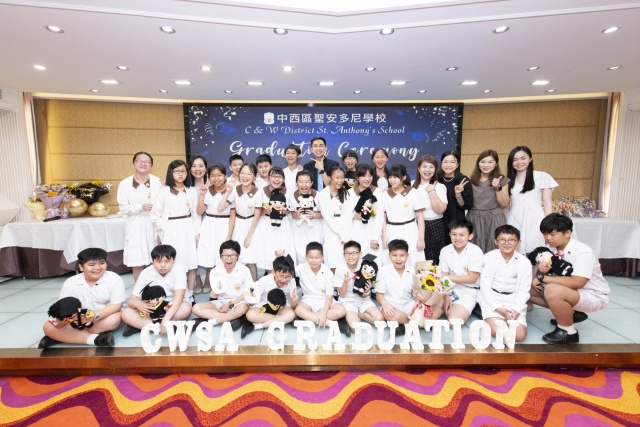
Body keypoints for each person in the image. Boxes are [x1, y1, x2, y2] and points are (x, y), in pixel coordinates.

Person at [529, 214, 610, 344]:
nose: (548, 238)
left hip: (592, 294)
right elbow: (544, 275)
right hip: (569, 291)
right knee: (526, 289)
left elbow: (577, 282)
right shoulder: (549, 250)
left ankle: (568, 332)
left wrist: (542, 277)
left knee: (552, 290)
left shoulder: (583, 252)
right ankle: (570, 313)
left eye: (552, 234)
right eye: (545, 234)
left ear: (567, 233)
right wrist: (541, 271)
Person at [39, 248, 125, 348]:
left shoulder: (114, 279)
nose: (97, 268)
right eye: (91, 265)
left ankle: (62, 336)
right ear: (81, 267)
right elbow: (63, 307)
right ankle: (97, 339)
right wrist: (62, 321)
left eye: (102, 263)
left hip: (101, 317)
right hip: (77, 320)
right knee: (47, 326)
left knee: (116, 318)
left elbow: (116, 306)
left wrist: (94, 316)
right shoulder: (70, 282)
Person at [150, 160, 199, 301]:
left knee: (191, 263)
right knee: (173, 263)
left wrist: (197, 233)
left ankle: (189, 295)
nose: (180, 174)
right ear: (171, 173)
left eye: (183, 171)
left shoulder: (191, 191)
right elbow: (155, 216)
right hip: (171, 230)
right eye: (177, 171)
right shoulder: (164, 192)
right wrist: (165, 228)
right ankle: (174, 295)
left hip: (188, 229)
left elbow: (196, 215)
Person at [121, 244, 192, 337]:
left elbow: (179, 297)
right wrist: (138, 304)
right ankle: (167, 327)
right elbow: (132, 300)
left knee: (186, 309)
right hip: (153, 308)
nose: (163, 265)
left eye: (167, 261)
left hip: (172, 306)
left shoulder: (178, 269)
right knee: (126, 314)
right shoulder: (146, 273)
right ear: (152, 261)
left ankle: (148, 326)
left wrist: (165, 320)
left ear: (174, 260)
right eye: (158, 261)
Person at [478, 225, 531, 342]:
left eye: (511, 240)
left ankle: (510, 318)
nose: (507, 243)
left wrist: (517, 310)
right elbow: (485, 287)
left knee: (519, 336)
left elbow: (524, 290)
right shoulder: (488, 258)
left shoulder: (524, 262)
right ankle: (491, 318)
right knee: (500, 332)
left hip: (513, 299)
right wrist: (497, 308)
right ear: (496, 241)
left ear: (519, 242)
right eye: (502, 239)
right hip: (492, 298)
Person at [117, 151, 163, 282]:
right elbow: (123, 208)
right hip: (135, 224)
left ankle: (156, 287)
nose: (143, 164)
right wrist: (139, 207)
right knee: (136, 259)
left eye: (147, 162)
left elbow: (164, 206)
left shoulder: (158, 182)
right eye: (140, 161)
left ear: (151, 165)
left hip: (154, 224)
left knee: (155, 258)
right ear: (134, 163)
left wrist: (161, 229)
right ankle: (139, 288)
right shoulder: (125, 183)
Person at [506, 146, 558, 254]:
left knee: (535, 251)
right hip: (514, 218)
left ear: (530, 159)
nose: (519, 162)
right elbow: (505, 203)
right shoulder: (508, 180)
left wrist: (548, 225)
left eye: (523, 158)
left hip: (535, 219)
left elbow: (547, 203)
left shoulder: (542, 176)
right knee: (514, 250)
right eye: (515, 160)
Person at [192, 240, 252, 329]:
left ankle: (212, 321)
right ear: (221, 256)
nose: (229, 258)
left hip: (238, 302)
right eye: (225, 255)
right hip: (221, 302)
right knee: (196, 308)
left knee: (242, 308)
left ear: (238, 256)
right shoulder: (215, 271)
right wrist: (214, 294)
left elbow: (248, 293)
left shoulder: (244, 270)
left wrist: (230, 304)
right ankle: (233, 318)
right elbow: (216, 291)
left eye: (232, 255)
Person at [196, 164, 235, 292]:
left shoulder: (231, 190)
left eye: (219, 175)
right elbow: (200, 211)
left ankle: (219, 283)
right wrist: (202, 195)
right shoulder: (206, 190)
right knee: (208, 253)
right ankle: (208, 279)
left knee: (221, 254)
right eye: (212, 176)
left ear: (225, 176)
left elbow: (232, 215)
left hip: (225, 223)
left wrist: (229, 234)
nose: (216, 178)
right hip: (209, 223)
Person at [220, 163, 261, 281]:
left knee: (251, 261)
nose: (245, 176)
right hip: (238, 225)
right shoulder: (235, 189)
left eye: (249, 174)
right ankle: (238, 286)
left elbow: (257, 216)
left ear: (255, 176)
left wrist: (249, 236)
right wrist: (227, 192)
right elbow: (220, 208)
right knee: (238, 258)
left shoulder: (258, 192)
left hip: (252, 227)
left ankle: (253, 287)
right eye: (242, 173)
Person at [380, 164, 426, 268]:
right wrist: (384, 236)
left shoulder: (413, 193)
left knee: (413, 256)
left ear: (404, 177)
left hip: (410, 229)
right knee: (391, 258)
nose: (392, 180)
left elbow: (420, 217)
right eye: (390, 177)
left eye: (395, 177)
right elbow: (383, 218)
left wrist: (421, 239)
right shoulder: (384, 194)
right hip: (391, 230)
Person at [439, 219, 484, 323]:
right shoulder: (445, 250)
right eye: (454, 234)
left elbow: (472, 279)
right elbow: (443, 275)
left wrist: (446, 277)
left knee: (455, 321)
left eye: (462, 235)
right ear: (449, 234)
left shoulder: (475, 251)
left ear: (470, 236)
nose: (457, 238)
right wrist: (446, 295)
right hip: (448, 288)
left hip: (468, 290)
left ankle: (467, 307)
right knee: (432, 311)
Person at [242, 255, 298, 338]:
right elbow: (253, 302)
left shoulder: (292, 282)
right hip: (264, 306)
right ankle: (282, 320)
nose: (284, 280)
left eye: (288, 277)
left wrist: (293, 300)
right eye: (281, 276)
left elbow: (293, 306)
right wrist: (250, 296)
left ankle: (256, 326)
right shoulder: (264, 280)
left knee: (291, 314)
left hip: (281, 307)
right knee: (250, 315)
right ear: (273, 272)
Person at [466, 150, 510, 253]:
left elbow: (504, 203)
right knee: (474, 248)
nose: (486, 165)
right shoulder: (470, 180)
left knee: (495, 246)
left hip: (494, 217)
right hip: (474, 217)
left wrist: (497, 187)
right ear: (478, 163)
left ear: (496, 164)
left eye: (490, 162)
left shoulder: (501, 179)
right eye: (483, 162)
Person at [294, 242, 346, 327]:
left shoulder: (328, 272)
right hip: (309, 299)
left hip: (325, 299)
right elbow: (287, 270)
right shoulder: (301, 268)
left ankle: (311, 317)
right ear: (306, 257)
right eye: (311, 257)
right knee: (298, 310)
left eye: (317, 257)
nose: (314, 260)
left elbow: (329, 296)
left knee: (341, 311)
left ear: (322, 257)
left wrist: (324, 313)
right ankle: (327, 322)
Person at [254, 166, 295, 272]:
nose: (276, 179)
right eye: (273, 176)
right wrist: (265, 211)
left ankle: (283, 277)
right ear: (268, 178)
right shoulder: (261, 192)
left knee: (284, 251)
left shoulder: (288, 192)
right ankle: (270, 277)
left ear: (283, 179)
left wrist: (286, 211)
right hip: (266, 225)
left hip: (283, 225)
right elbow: (257, 212)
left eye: (279, 177)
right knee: (268, 253)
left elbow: (291, 209)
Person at [336, 241, 384, 332]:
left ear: (360, 254)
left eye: (354, 253)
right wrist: (345, 281)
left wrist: (367, 290)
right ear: (344, 255)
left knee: (379, 319)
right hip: (348, 301)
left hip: (363, 300)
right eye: (347, 253)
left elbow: (374, 283)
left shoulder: (366, 266)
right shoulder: (340, 269)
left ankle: (359, 314)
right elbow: (342, 295)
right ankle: (351, 315)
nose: (351, 256)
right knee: (355, 328)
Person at [342, 163, 384, 259]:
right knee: (356, 259)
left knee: (371, 261)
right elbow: (346, 214)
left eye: (370, 176)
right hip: (355, 231)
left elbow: (379, 216)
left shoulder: (377, 192)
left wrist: (375, 237)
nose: (367, 179)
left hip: (372, 231)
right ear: (357, 177)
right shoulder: (350, 192)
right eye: (363, 176)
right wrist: (354, 216)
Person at [413, 155, 448, 264]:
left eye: (431, 167)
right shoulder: (410, 185)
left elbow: (440, 210)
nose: (428, 170)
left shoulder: (440, 186)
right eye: (424, 167)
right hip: (414, 226)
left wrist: (432, 192)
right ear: (419, 168)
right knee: (416, 258)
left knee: (433, 261)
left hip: (434, 226)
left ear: (435, 169)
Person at [375, 239, 415, 336]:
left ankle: (403, 324)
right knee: (390, 315)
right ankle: (415, 324)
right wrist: (384, 304)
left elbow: (416, 295)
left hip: (408, 304)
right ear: (389, 255)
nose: (398, 259)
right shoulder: (383, 271)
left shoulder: (412, 272)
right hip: (391, 305)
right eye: (394, 255)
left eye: (402, 255)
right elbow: (379, 294)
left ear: (407, 256)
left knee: (425, 311)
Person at [316, 167, 349, 270]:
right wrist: (341, 233)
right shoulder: (323, 194)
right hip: (330, 229)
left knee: (344, 262)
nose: (340, 180)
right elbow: (327, 216)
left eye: (342, 177)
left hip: (344, 229)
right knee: (331, 261)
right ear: (330, 178)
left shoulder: (346, 193)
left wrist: (346, 234)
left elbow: (347, 215)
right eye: (337, 177)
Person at [288, 170, 323, 262]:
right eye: (301, 182)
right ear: (296, 183)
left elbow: (324, 214)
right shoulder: (292, 196)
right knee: (299, 254)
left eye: (307, 182)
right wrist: (296, 215)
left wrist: (314, 215)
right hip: (298, 230)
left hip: (314, 229)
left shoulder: (319, 195)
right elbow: (292, 213)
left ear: (311, 183)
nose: (304, 185)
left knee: (314, 253)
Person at [437, 150, 473, 226]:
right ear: (441, 163)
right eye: (445, 162)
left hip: (456, 218)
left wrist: (458, 194)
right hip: (438, 217)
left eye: (452, 162)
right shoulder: (435, 178)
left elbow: (465, 205)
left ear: (457, 165)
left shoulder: (463, 180)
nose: (448, 165)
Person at [189, 155, 208, 293]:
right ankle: (197, 280)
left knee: (208, 251)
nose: (198, 169)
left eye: (201, 166)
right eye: (194, 166)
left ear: (206, 168)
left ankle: (208, 279)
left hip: (209, 221)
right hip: (191, 223)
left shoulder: (212, 183)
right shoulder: (186, 186)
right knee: (193, 252)